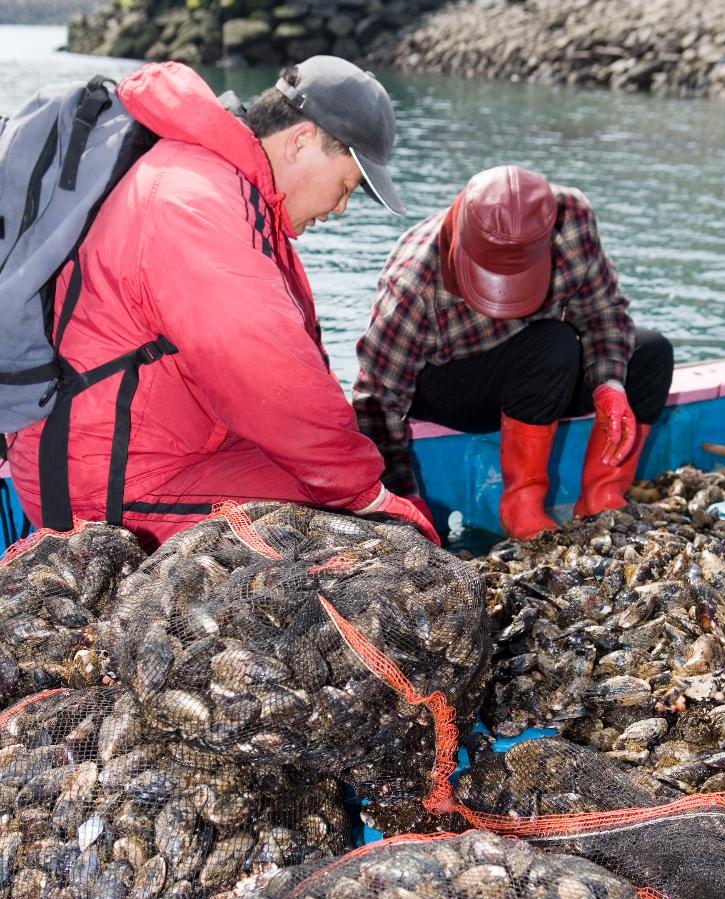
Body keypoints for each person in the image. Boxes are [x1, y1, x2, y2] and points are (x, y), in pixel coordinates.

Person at [7, 57, 439, 548]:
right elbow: (268, 373)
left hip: (173, 451)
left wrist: (366, 482)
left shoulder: (229, 188)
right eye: (346, 186)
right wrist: (366, 495)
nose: (340, 207)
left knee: (362, 516)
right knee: (365, 537)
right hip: (108, 486)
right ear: (301, 141)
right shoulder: (195, 199)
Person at [352, 164, 674, 540]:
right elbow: (377, 403)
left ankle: (602, 502)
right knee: (553, 342)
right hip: (456, 386)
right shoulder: (414, 279)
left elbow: (603, 312)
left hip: (544, 377)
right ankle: (522, 510)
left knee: (650, 354)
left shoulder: (571, 218)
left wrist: (608, 384)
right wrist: (402, 499)